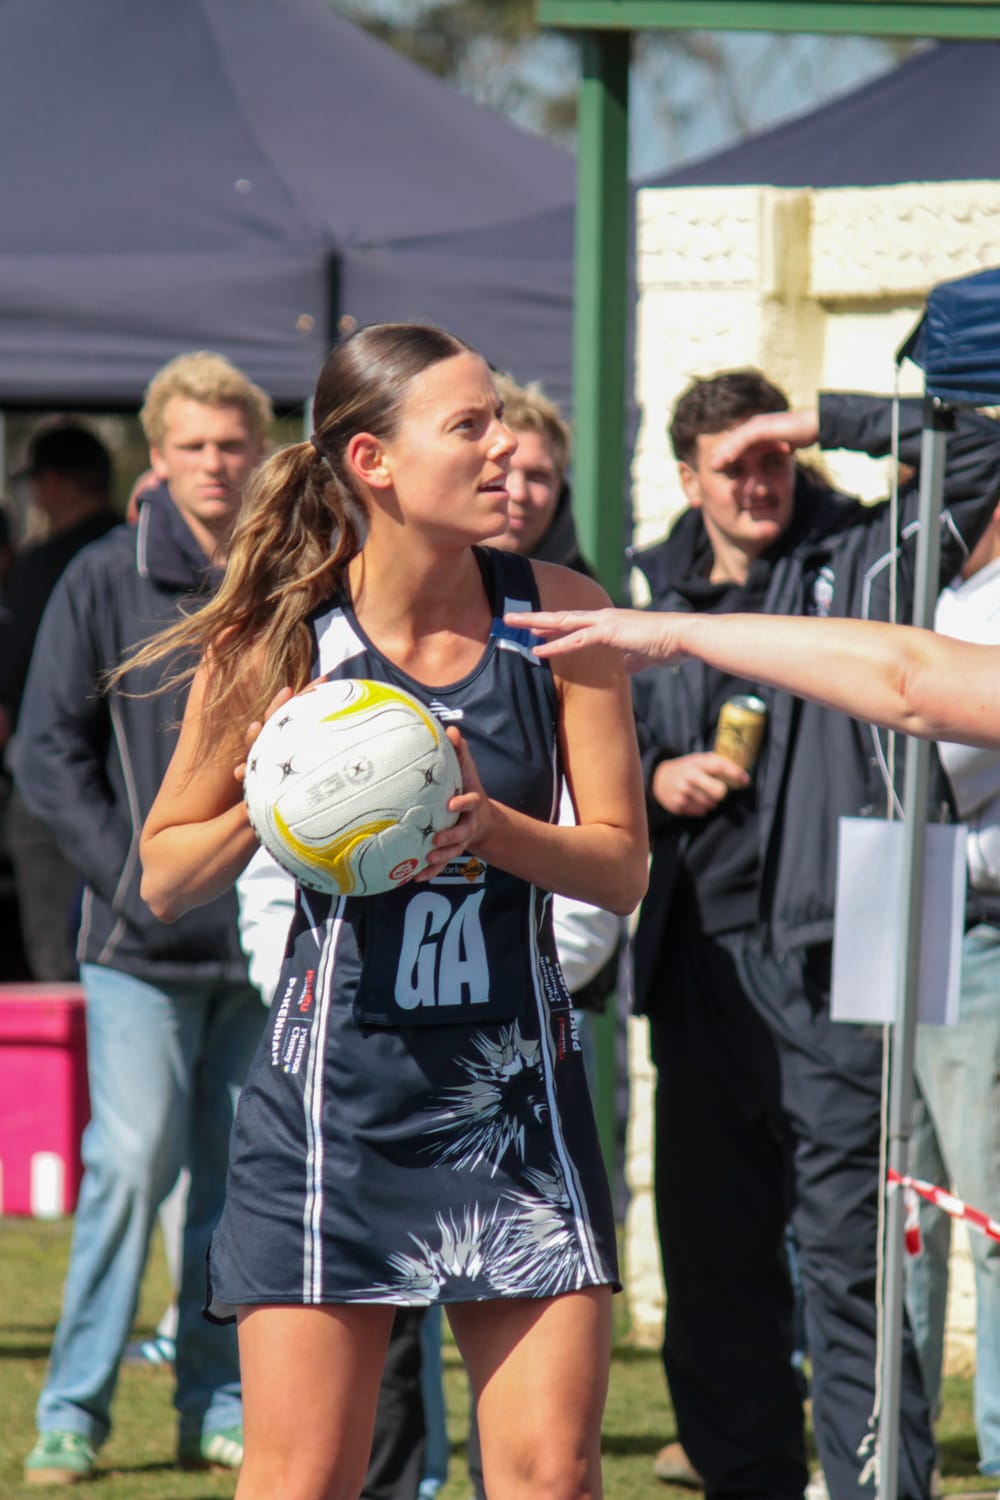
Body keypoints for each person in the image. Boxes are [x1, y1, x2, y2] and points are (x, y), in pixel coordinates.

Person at [135, 321, 647, 1500]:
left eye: (501, 420)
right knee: (305, 1479)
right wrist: (281, 799)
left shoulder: (561, 618)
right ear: (373, 461)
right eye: (468, 426)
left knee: (553, 1477)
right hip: (333, 1114)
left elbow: (622, 869)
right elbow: (164, 874)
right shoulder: (282, 638)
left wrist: (488, 827)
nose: (503, 448)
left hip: (513, 1103)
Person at [518, 372, 1000, 1500]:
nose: (756, 480)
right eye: (729, 464)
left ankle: (879, 1483)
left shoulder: (868, 552)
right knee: (714, 1257)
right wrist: (652, 774)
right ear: (687, 479)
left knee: (850, 1250)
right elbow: (582, 749)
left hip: (848, 951)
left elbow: (978, 452)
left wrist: (815, 420)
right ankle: (747, 1480)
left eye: (772, 457)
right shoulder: (640, 590)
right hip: (700, 959)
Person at [17, 352, 272, 1486]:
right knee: (128, 1169)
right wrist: (135, 878)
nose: (216, 464)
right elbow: (44, 751)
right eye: (194, 446)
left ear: (259, 453)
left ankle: (216, 1404)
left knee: (236, 1185)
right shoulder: (100, 576)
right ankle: (72, 1411)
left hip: (264, 946)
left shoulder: (294, 572)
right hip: (138, 947)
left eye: (233, 444)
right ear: (156, 458)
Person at [905, 494, 1000, 1490]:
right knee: (905, 1202)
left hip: (980, 922)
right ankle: (901, 1439)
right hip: (906, 907)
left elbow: (950, 727)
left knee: (989, 1205)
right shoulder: (920, 579)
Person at [0, 424, 119, 980]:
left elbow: (13, 683)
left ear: (50, 482)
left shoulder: (45, 564)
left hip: (53, 785)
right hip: (137, 784)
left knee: (60, 969)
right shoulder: (139, 555)